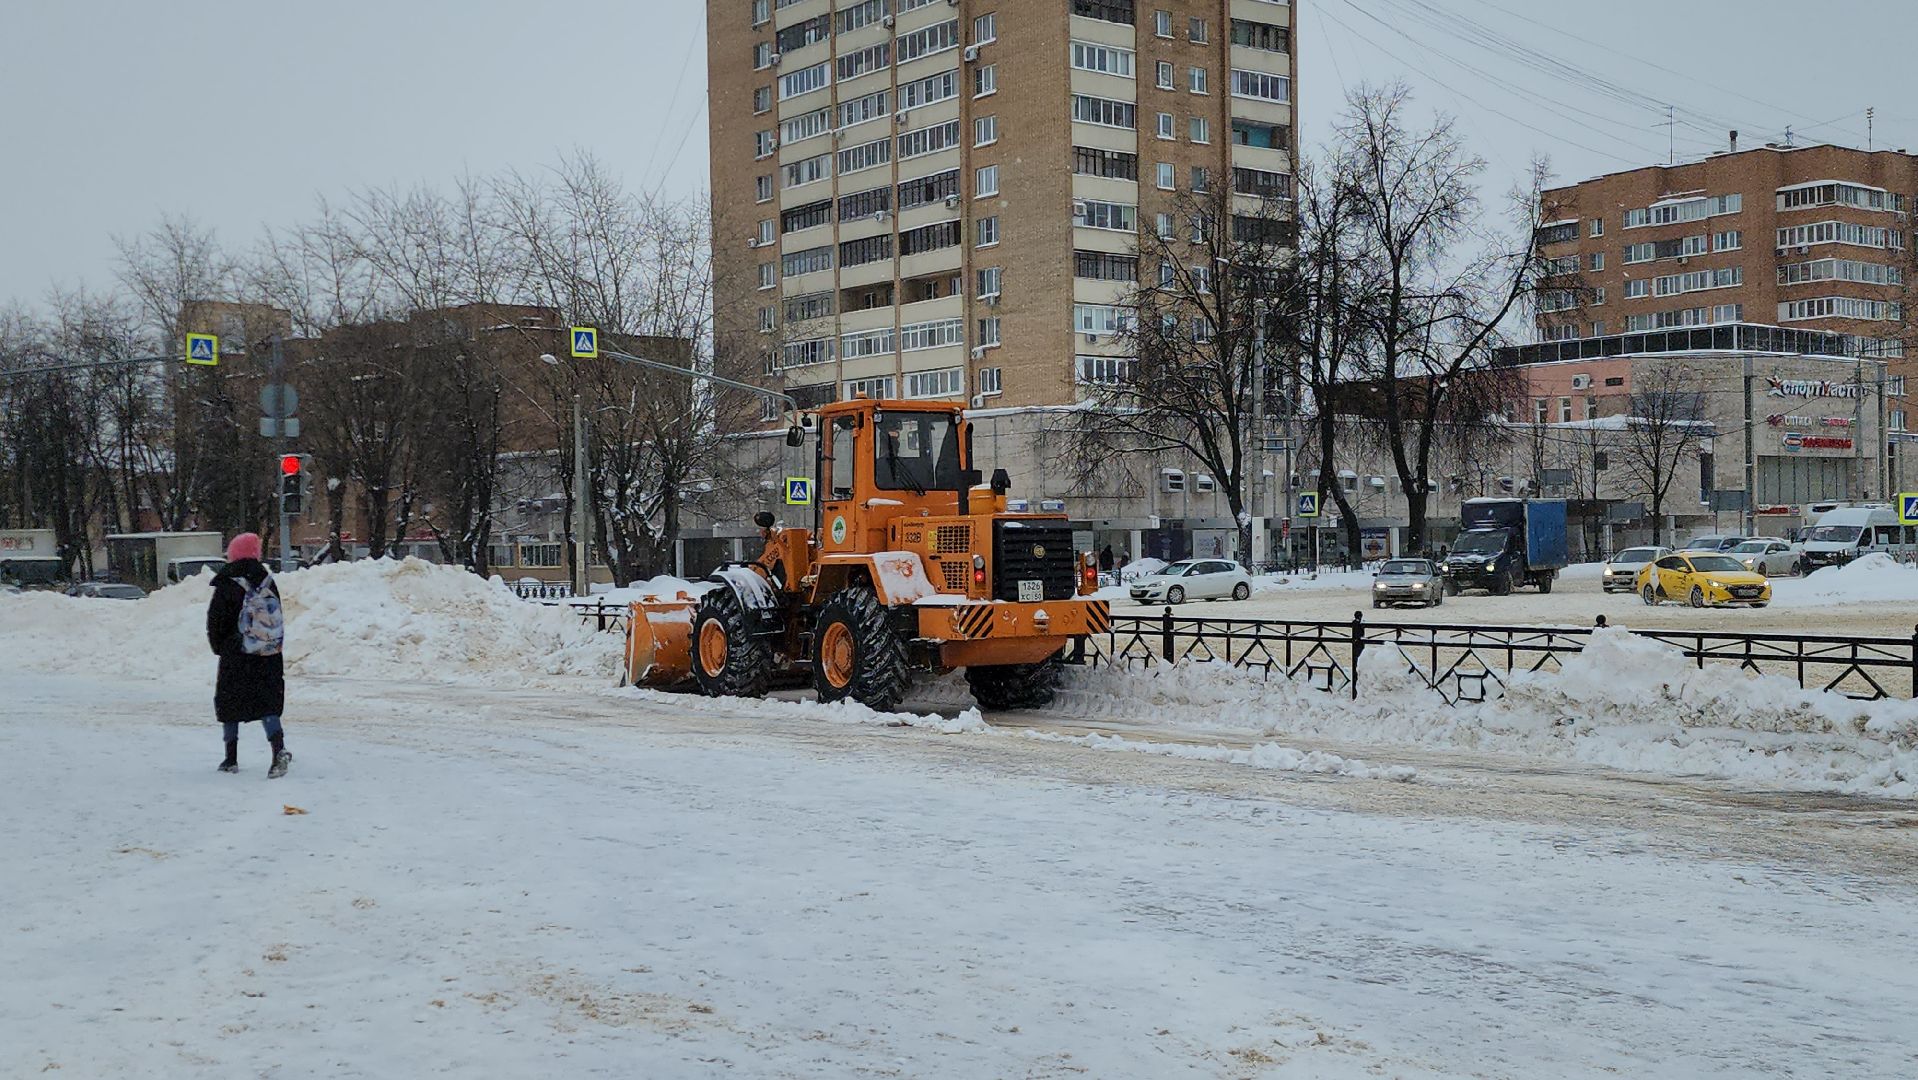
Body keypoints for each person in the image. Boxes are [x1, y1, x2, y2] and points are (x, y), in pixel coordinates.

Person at [206, 533, 291, 777]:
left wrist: (221, 647)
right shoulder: (267, 581)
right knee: (267, 701)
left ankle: (230, 758)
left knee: (230, 701)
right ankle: (278, 749)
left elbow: (216, 620)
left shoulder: (227, 582)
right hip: (266, 652)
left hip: (236, 651)